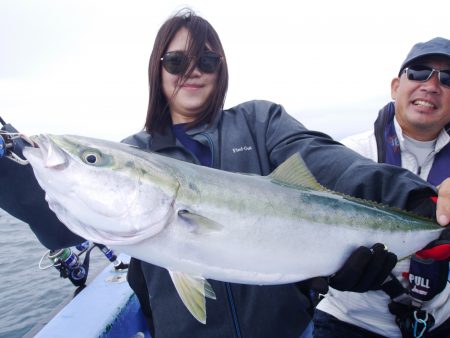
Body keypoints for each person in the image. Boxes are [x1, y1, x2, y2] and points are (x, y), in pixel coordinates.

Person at [1, 10, 450, 338]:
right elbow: (56, 219)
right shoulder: (136, 151)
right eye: (177, 61)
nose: (192, 71)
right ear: (157, 68)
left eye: (207, 61)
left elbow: (327, 161)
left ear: (221, 71)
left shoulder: (260, 123)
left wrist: (422, 204)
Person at [314, 37, 450, 338]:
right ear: (394, 87)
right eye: (417, 72)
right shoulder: (348, 154)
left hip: (440, 322)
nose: (431, 85)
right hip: (350, 322)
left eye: (447, 79)